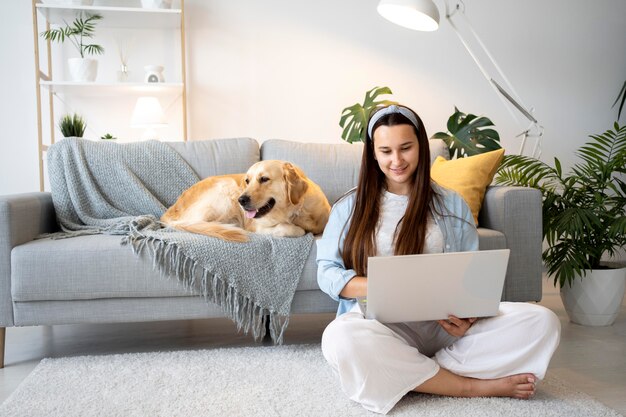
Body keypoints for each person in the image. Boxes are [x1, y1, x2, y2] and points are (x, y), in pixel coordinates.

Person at [316, 104, 561, 414]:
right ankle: (469, 385)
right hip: (382, 327)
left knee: (543, 322)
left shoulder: (450, 204)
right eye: (386, 151)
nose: (397, 160)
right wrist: (377, 286)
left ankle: (410, 373)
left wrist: (468, 316)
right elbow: (327, 272)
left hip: (445, 330)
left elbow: (471, 276)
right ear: (373, 154)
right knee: (340, 338)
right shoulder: (349, 207)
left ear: (420, 145)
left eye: (406, 148)